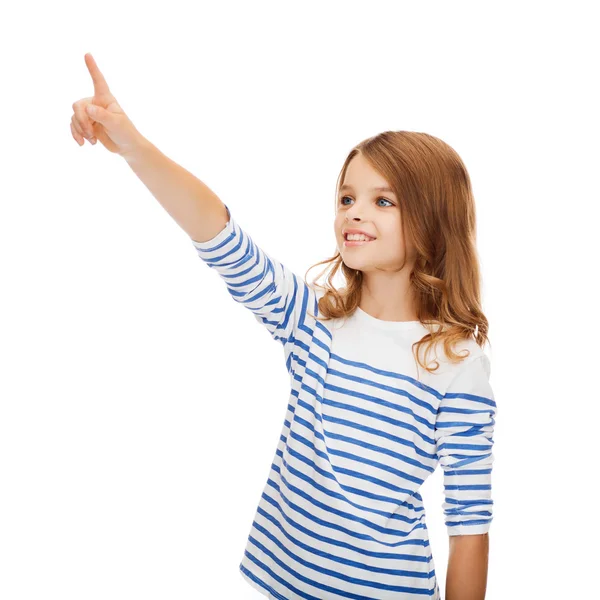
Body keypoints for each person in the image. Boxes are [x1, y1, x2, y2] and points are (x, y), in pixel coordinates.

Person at [71, 52, 497, 600]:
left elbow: (469, 526)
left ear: (434, 220)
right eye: (346, 198)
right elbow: (219, 236)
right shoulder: (312, 320)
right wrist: (132, 145)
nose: (353, 212)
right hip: (282, 586)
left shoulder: (457, 362)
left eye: (382, 200)